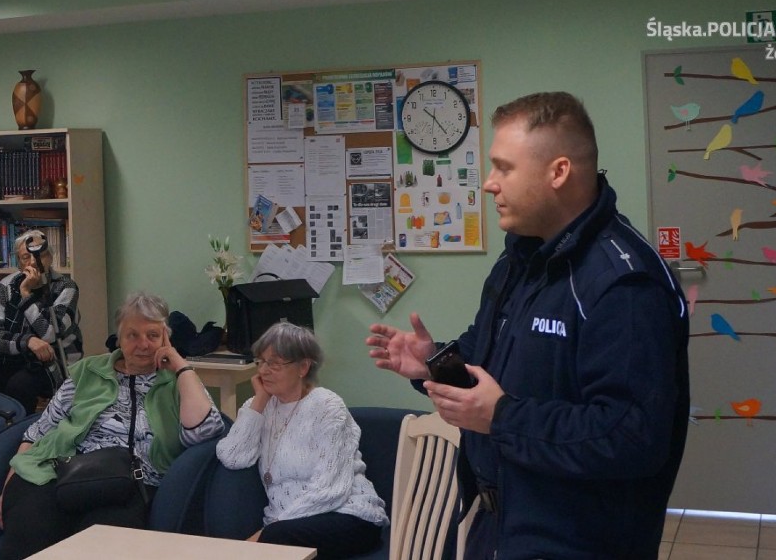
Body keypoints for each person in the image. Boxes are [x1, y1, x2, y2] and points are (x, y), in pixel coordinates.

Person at [366, 92, 690, 559]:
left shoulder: (624, 284)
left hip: (579, 541)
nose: (488, 184)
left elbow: (631, 437)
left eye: (503, 168)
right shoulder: (521, 258)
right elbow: (487, 356)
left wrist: (501, 417)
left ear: (558, 172)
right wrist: (433, 363)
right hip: (498, 525)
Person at [0, 292, 226, 560]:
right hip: (58, 471)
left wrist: (180, 366)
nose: (143, 344)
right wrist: (9, 483)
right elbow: (39, 431)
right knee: (29, 528)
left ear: (166, 337)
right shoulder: (88, 371)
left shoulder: (176, 382)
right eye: (132, 335)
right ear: (119, 337)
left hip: (130, 483)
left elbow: (205, 431)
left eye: (153, 335)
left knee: (106, 544)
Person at [217, 322, 388, 560]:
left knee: (277, 541)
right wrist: (259, 401)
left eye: (274, 363)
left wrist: (268, 531)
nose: (264, 370)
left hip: (349, 515)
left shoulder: (328, 406)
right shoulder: (260, 406)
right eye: (261, 361)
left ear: (303, 367)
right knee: (278, 540)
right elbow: (232, 457)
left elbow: (330, 490)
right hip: (287, 524)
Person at [0, 229, 82, 414]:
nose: (34, 262)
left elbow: (49, 333)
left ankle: (22, 434)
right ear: (19, 262)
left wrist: (26, 294)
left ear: (50, 257)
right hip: (11, 354)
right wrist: (28, 342)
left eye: (40, 255)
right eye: (26, 257)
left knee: (19, 386)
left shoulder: (66, 287)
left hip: (51, 360)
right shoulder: (6, 286)